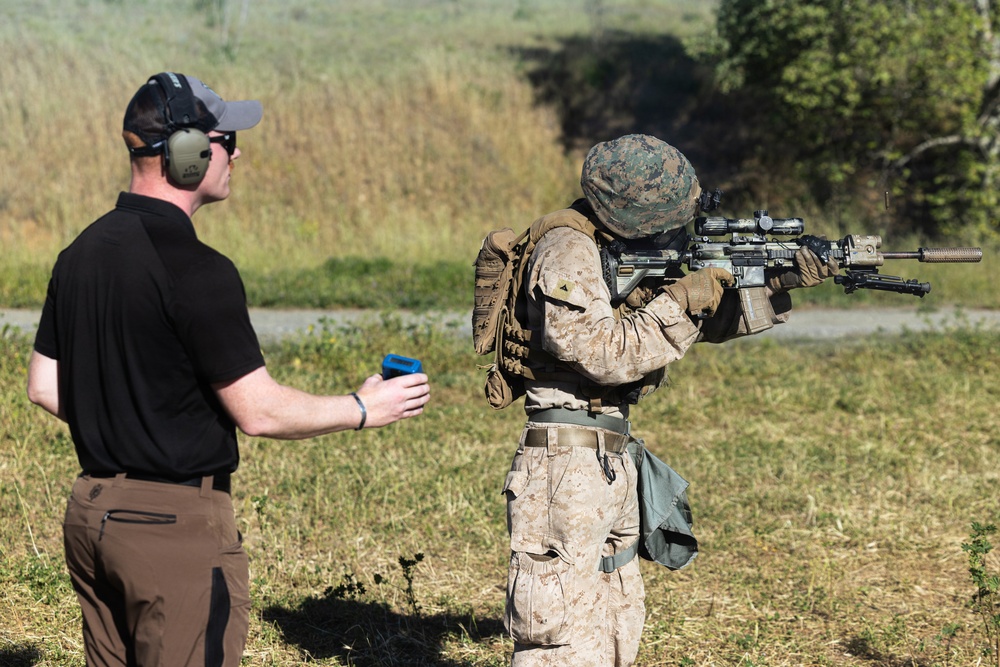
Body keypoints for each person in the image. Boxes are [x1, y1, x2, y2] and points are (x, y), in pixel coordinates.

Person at [25, 72, 431, 667]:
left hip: (90, 516)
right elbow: (258, 412)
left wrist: (138, 413)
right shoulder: (198, 268)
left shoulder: (80, 252)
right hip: (173, 532)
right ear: (187, 151)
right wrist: (364, 408)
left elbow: (43, 385)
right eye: (226, 140)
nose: (236, 153)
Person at [498, 134, 835, 666]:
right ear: (634, 212)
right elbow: (602, 353)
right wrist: (681, 299)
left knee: (614, 616)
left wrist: (773, 283)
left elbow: (676, 325)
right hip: (564, 463)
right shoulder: (568, 251)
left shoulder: (612, 251)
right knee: (556, 628)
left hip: (607, 455)